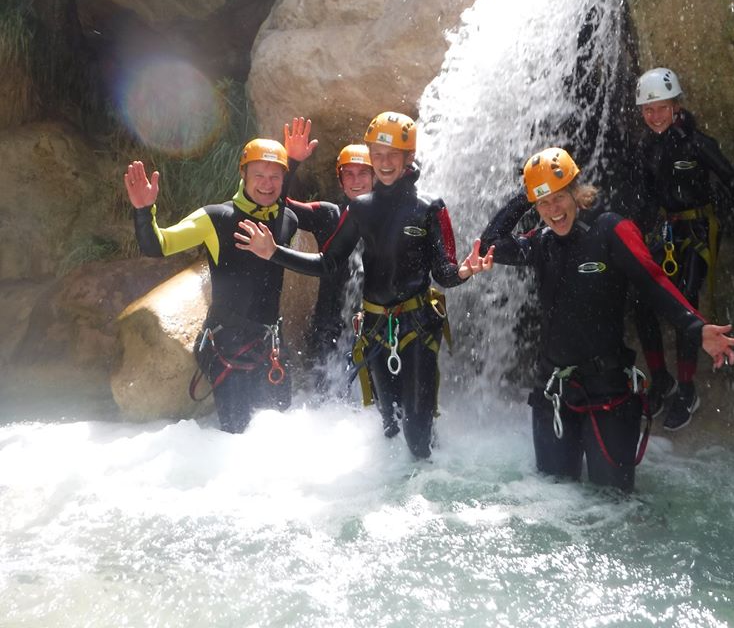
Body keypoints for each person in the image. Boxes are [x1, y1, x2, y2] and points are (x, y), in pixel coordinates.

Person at [479, 147, 734, 492]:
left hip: (608, 391)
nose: (553, 211)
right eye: (543, 204)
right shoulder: (541, 242)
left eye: (559, 198)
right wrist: (527, 192)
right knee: (551, 499)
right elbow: (488, 245)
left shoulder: (611, 229)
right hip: (554, 393)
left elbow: (654, 281)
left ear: (577, 192)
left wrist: (697, 329)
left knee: (613, 504)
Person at [234, 111, 493, 458]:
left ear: (409, 158)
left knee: (417, 434)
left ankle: (427, 490)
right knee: (389, 428)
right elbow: (328, 263)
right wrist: (273, 252)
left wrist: (465, 270)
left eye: (392, 156)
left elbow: (444, 273)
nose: (384, 163)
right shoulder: (360, 209)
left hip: (416, 328)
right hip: (374, 330)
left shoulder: (430, 208)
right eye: (378, 155)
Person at [625, 67, 734, 431]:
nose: (654, 117)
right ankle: (661, 380)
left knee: (685, 302)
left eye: (662, 108)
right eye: (648, 110)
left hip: (697, 228)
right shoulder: (645, 148)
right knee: (640, 302)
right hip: (665, 230)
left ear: (676, 106)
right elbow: (642, 197)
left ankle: (686, 389)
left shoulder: (697, 143)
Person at [123, 137, 304, 433]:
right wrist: (144, 211)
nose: (267, 184)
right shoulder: (217, 218)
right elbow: (159, 245)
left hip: (271, 344)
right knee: (237, 440)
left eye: (275, 176)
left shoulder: (288, 221)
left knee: (280, 436)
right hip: (228, 347)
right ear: (243, 174)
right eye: (258, 175)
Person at [285, 141, 375, 395]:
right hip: (329, 328)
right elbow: (280, 203)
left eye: (363, 173)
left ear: (375, 177)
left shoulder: (388, 217)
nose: (356, 180)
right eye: (349, 174)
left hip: (376, 325)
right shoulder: (328, 214)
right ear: (340, 180)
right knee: (326, 403)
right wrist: (292, 162)